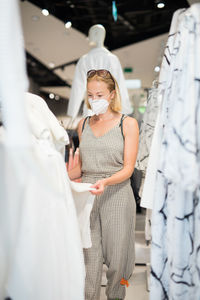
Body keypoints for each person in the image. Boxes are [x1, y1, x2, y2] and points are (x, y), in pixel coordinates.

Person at [68, 69, 139, 300]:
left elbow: (128, 168)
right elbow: (82, 167)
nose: (94, 100)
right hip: (87, 195)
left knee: (118, 259)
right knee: (89, 259)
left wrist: (106, 181)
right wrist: (59, 173)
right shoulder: (83, 124)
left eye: (99, 95)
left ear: (111, 94)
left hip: (116, 194)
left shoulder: (127, 124)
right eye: (90, 95)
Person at [67, 24, 133, 120]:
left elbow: (78, 87)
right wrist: (125, 110)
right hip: (110, 110)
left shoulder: (84, 60)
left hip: (91, 109)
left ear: (97, 35)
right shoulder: (112, 59)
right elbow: (120, 85)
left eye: (90, 35)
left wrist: (72, 113)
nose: (88, 38)